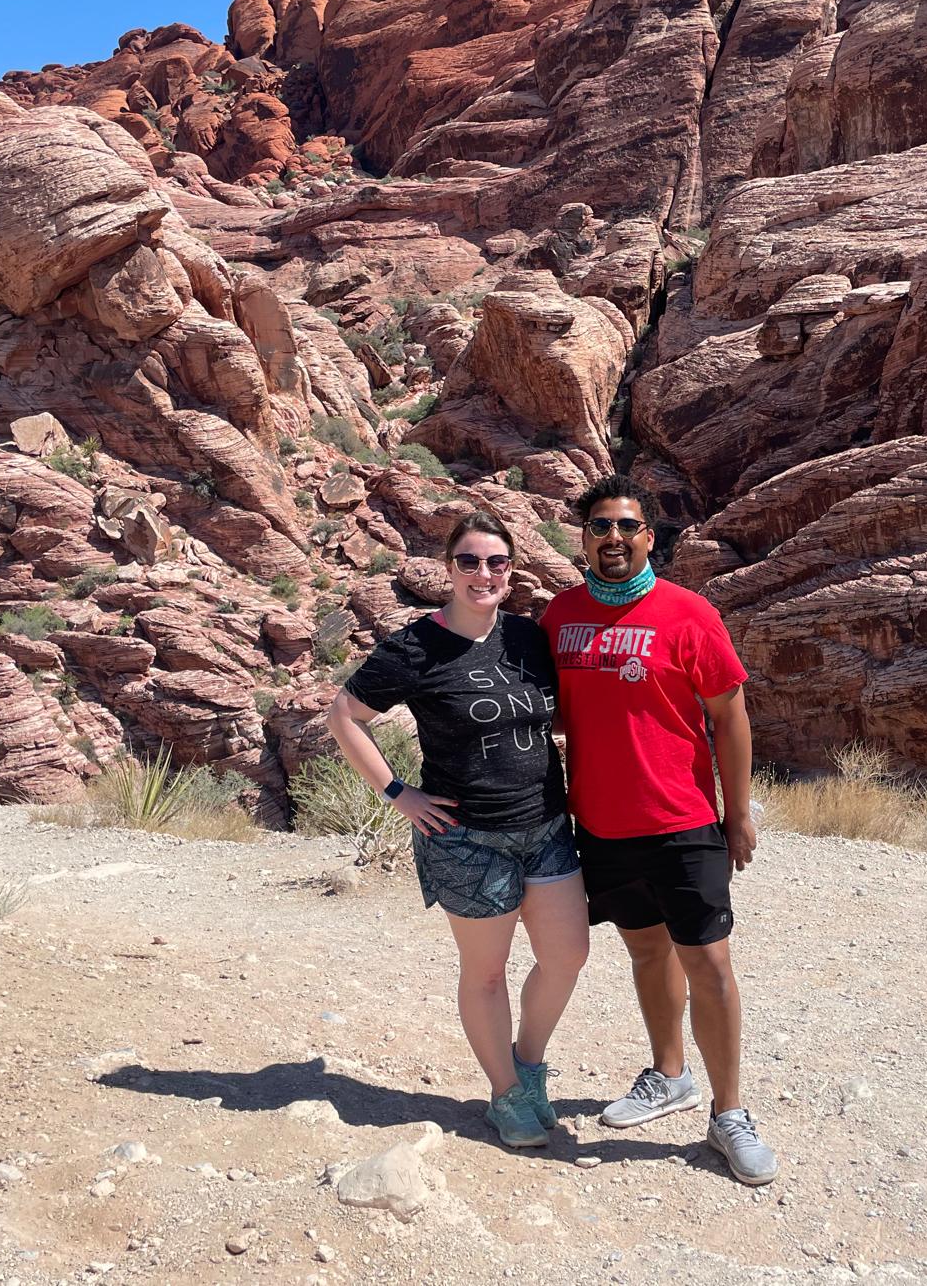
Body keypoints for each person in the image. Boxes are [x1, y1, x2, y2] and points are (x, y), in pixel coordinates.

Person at [541, 475, 779, 1186]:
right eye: (599, 527)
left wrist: (736, 813)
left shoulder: (689, 614)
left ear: (650, 537)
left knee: (708, 965)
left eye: (626, 526)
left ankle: (729, 1113)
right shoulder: (560, 617)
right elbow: (557, 710)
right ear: (583, 539)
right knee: (646, 952)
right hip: (604, 826)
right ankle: (670, 1075)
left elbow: (730, 716)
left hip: (683, 821)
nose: (613, 538)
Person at [325, 511, 589, 1149]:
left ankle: (528, 1066)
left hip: (546, 825)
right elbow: (344, 715)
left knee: (567, 955)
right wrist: (398, 793)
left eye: (496, 562)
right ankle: (505, 1095)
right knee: (487, 972)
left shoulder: (527, 638)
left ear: (511, 571)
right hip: (468, 838)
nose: (483, 574)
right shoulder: (415, 648)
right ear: (448, 570)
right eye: (469, 561)